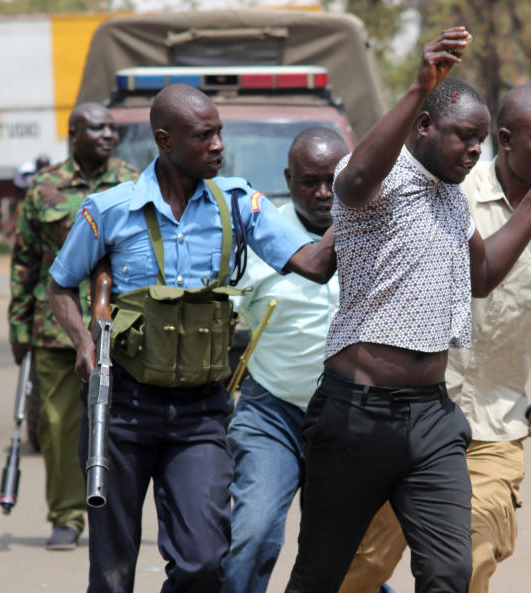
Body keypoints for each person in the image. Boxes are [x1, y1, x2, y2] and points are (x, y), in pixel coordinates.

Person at [283, 28, 531, 593]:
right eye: (464, 137)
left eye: (481, 141)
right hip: (357, 414)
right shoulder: (375, 185)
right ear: (425, 127)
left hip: (432, 417)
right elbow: (358, 177)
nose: (474, 151)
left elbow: (482, 278)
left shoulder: (452, 201)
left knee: (450, 571)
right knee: (322, 573)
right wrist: (417, 87)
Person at [47, 83, 336, 593]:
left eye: (220, 132)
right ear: (166, 140)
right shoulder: (110, 209)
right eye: (205, 135)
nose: (219, 144)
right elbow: (60, 284)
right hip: (123, 409)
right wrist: (84, 344)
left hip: (201, 413)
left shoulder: (238, 204)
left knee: (204, 562)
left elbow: (313, 265)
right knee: (113, 572)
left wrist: (355, 199)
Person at [338, 84, 531, 593]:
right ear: (506, 140)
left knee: (466, 568)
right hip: (411, 416)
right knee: (357, 568)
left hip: (494, 429)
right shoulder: (450, 192)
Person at [221, 126, 348, 593]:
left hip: (349, 416)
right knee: (252, 535)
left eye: (333, 181)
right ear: (287, 179)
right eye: (308, 181)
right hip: (272, 412)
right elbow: (216, 327)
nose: (321, 194)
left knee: (347, 554)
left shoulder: (380, 233)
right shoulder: (255, 237)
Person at [8, 103, 137, 551]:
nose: (108, 135)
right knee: (59, 424)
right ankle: (65, 516)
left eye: (112, 129)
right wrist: (18, 330)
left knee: (119, 423)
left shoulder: (133, 183)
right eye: (97, 128)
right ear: (73, 132)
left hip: (120, 326)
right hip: (54, 329)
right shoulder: (43, 188)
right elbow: (25, 262)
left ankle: (112, 511)